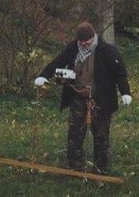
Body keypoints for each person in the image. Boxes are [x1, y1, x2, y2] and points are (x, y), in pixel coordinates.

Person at [34, 21, 132, 175]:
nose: (86, 44)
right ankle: (75, 167)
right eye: (82, 41)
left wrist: (125, 92)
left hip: (101, 100)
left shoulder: (107, 50)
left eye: (88, 40)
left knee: (101, 136)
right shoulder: (73, 48)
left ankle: (101, 170)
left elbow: (120, 72)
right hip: (78, 98)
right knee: (75, 134)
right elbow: (58, 62)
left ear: (94, 36)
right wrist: (44, 75)